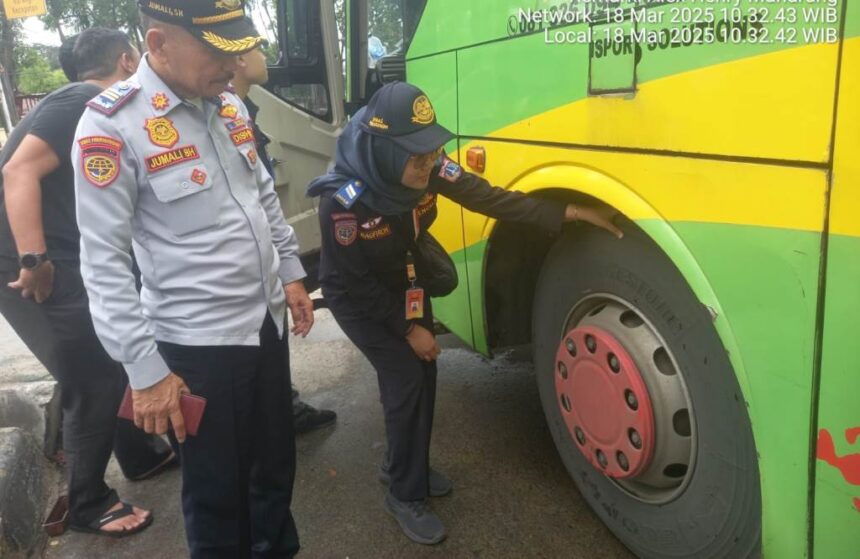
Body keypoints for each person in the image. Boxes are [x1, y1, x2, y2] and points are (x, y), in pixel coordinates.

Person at [307, 82, 623, 545]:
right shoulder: (344, 201)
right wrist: (408, 328)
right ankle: (404, 494)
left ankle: (402, 465)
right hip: (359, 297)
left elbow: (487, 196)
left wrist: (566, 211)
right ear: (388, 152)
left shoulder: (424, 164)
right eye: (418, 158)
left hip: (403, 277)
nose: (430, 164)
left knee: (426, 370)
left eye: (433, 152)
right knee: (405, 377)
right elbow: (353, 283)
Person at [73, 2, 313, 556]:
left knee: (275, 469)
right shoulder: (112, 123)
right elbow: (103, 262)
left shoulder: (227, 105)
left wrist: (292, 275)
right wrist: (145, 371)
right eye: (216, 51)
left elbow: (262, 197)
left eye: (237, 49)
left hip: (264, 326)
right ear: (158, 44)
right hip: (198, 349)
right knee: (217, 495)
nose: (232, 65)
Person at [0, 28, 174, 538]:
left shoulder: (94, 109)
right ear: (127, 60)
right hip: (29, 264)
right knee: (93, 376)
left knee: (114, 357)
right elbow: (17, 172)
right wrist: (35, 259)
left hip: (54, 257)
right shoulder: (83, 99)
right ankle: (87, 502)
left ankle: (138, 455)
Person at [234, 42, 336, 434]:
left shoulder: (241, 111)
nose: (265, 54)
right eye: (257, 48)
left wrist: (290, 273)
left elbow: (265, 199)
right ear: (239, 60)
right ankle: (276, 413)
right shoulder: (225, 114)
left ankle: (282, 407)